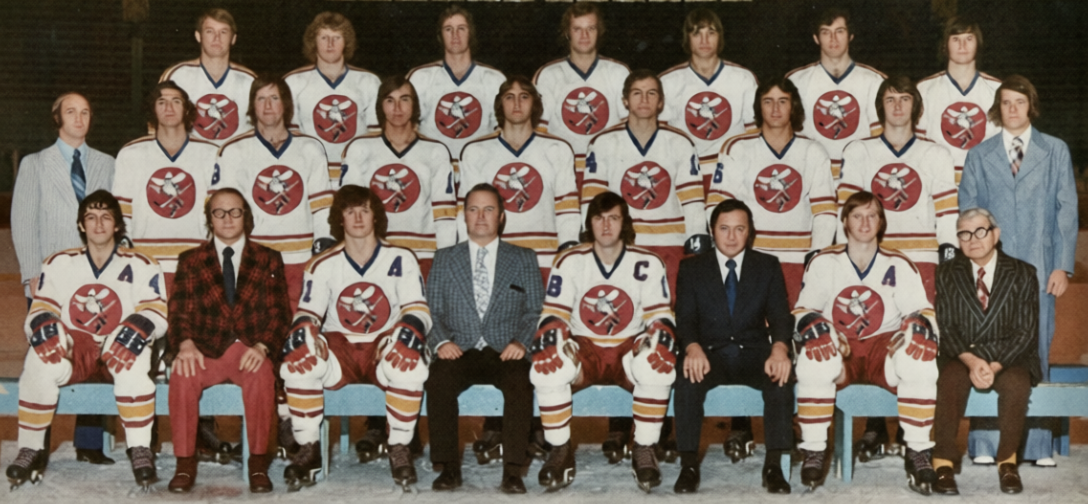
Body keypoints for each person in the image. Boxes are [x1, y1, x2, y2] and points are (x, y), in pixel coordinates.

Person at [6, 190, 167, 489]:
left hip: (117, 348)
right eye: (91, 217)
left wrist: (140, 325)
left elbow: (156, 310)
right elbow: (41, 306)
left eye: (106, 217)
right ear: (81, 225)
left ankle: (140, 448)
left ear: (117, 224)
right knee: (39, 360)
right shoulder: (58, 263)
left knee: (133, 355)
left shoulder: (142, 263)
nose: (99, 224)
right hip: (77, 349)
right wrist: (43, 323)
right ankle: (30, 447)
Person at [279, 185, 431, 491]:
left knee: (409, 361)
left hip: (382, 346)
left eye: (364, 210)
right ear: (340, 218)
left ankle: (399, 446)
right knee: (299, 360)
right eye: (350, 211)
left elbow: (417, 309)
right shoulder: (322, 263)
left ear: (376, 216)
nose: (358, 217)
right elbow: (308, 312)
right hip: (341, 348)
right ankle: (308, 447)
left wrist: (409, 331)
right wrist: (303, 332)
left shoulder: (401, 257)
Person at [960, 74, 1078, 467]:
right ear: (998, 108)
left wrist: (1062, 266)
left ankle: (1037, 445)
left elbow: (1066, 212)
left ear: (1032, 106)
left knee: (1035, 349)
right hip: (990, 269)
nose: (1013, 109)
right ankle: (984, 441)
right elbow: (969, 212)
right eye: (1006, 102)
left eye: (1020, 101)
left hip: (1040, 269)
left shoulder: (1055, 150)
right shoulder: (980, 155)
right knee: (987, 346)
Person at [338, 75, 456, 464]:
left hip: (421, 256)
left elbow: (443, 212)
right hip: (374, 256)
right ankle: (378, 424)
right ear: (380, 107)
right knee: (375, 334)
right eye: (390, 100)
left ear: (414, 106)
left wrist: (447, 261)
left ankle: (410, 429)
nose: (398, 107)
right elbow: (349, 207)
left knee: (415, 340)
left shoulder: (434, 151)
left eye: (405, 99)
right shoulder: (362, 148)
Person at [793, 191, 939, 495]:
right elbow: (802, 310)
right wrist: (814, 324)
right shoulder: (824, 261)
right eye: (857, 216)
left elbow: (922, 310)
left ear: (881, 222)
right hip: (840, 347)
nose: (864, 223)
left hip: (881, 350)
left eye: (872, 215)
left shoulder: (898, 262)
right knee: (814, 353)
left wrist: (919, 326)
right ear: (845, 221)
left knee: (919, 357)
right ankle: (815, 449)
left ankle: (918, 449)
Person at [530, 191, 676, 492]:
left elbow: (660, 315)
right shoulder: (570, 260)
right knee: (547, 369)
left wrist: (662, 338)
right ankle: (559, 450)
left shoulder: (647, 262)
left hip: (627, 348)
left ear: (625, 223)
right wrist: (550, 339)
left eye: (613, 218)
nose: (606, 225)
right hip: (585, 348)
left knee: (657, 366)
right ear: (589, 223)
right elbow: (553, 313)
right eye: (599, 218)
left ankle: (644, 448)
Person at [11, 91, 116, 466]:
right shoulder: (35, 164)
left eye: (85, 111)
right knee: (46, 356)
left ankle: (89, 441)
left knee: (95, 354)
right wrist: (31, 272)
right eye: (71, 111)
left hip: (97, 276)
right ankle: (36, 446)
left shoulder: (106, 163)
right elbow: (24, 221)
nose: (79, 118)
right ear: (57, 118)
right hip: (50, 279)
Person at [166, 188, 291, 493]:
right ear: (209, 218)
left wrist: (262, 346)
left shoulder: (268, 259)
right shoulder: (191, 260)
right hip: (204, 350)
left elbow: (280, 314)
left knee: (262, 376)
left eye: (235, 211)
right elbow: (178, 311)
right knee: (181, 376)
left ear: (246, 216)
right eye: (219, 212)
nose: (227, 219)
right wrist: (185, 344)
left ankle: (258, 464)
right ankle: (184, 463)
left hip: (249, 350)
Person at [425, 183, 542, 494]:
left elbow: (535, 311)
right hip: (459, 348)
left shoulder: (523, 258)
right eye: (474, 209)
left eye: (488, 209)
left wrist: (521, 342)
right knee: (438, 381)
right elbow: (431, 311)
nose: (480, 216)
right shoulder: (444, 258)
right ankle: (448, 468)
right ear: (464, 216)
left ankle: (513, 471)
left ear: (501, 217)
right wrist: (441, 342)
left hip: (505, 349)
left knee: (520, 382)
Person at [673, 199, 794, 494]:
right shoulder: (692, 268)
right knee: (687, 377)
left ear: (749, 232)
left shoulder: (767, 266)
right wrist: (692, 347)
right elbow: (685, 318)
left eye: (739, 229)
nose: (731, 237)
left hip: (753, 353)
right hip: (709, 354)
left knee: (781, 376)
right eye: (724, 228)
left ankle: (774, 466)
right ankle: (688, 465)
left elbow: (780, 315)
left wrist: (780, 348)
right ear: (711, 231)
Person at [931, 208, 1040, 495]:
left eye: (980, 231)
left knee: (1017, 385)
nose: (973, 239)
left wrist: (992, 365)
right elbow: (947, 327)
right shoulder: (947, 272)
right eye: (964, 234)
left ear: (995, 234)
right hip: (962, 354)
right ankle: (943, 463)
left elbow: (1025, 333)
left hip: (1009, 356)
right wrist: (971, 361)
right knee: (949, 381)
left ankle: (1008, 462)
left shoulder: (1023, 273)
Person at [708, 75, 837, 308]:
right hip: (751, 258)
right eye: (768, 101)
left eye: (782, 101)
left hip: (797, 259)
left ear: (793, 106)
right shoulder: (738, 148)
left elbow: (824, 213)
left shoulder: (813, 151)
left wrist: (817, 256)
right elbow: (718, 209)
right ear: (759, 107)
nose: (775, 109)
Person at [583, 69, 709, 299]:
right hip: (621, 243)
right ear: (625, 101)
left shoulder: (680, 142)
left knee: (668, 311)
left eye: (651, 93)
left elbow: (692, 201)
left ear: (661, 102)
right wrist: (590, 239)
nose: (644, 100)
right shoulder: (603, 142)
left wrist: (696, 241)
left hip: (670, 243)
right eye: (637, 93)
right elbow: (593, 201)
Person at [212, 74, 334, 309]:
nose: (268, 106)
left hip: (300, 256)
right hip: (253, 259)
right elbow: (224, 209)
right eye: (261, 99)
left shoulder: (310, 148)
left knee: (299, 323)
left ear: (285, 104)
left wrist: (322, 250)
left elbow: (322, 207)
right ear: (252, 105)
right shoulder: (234, 150)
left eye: (274, 98)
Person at [837, 75, 958, 303]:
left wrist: (949, 259)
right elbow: (845, 212)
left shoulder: (936, 154)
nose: (898, 106)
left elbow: (948, 216)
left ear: (916, 106)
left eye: (905, 99)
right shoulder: (859, 151)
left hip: (922, 258)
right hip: (872, 257)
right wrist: (843, 257)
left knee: (923, 323)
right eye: (890, 99)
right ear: (880, 107)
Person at [458, 76, 580, 277]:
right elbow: (467, 212)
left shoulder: (557, 149)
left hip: (544, 259)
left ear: (534, 104)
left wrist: (568, 254)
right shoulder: (477, 151)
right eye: (509, 97)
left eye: (524, 97)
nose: (517, 103)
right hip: (494, 260)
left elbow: (567, 210)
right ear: (500, 104)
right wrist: (471, 256)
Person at [114, 81, 218, 291]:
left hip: (196, 261)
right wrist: (127, 255)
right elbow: (122, 213)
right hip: (146, 262)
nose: (169, 108)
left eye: (176, 101)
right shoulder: (131, 153)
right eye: (161, 102)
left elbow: (219, 211)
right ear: (153, 109)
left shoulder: (211, 153)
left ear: (187, 109)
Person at [659, 8, 757, 192]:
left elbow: (753, 134)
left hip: (732, 174)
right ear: (687, 38)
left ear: (720, 37)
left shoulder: (743, 78)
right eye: (697, 33)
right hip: (686, 175)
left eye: (711, 33)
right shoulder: (668, 82)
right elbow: (661, 139)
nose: (704, 41)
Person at [533, 3, 630, 187]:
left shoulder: (618, 73)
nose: (584, 36)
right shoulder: (548, 75)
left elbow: (630, 130)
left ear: (599, 31)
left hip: (609, 170)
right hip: (563, 172)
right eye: (577, 29)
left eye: (590, 28)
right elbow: (538, 135)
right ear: (567, 33)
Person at [787, 8, 886, 180]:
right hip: (810, 176)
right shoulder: (796, 81)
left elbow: (880, 140)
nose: (833, 39)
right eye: (826, 32)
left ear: (850, 36)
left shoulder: (874, 81)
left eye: (839, 31)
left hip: (858, 177)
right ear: (816, 38)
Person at [285, 12, 381, 184]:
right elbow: (291, 139)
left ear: (346, 42)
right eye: (324, 37)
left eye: (337, 37)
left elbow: (375, 139)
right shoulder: (294, 82)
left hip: (357, 177)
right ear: (314, 42)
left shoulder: (368, 82)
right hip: (311, 176)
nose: (330, 44)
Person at [408, 6, 505, 162]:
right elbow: (406, 128)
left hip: (478, 166)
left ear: (470, 33)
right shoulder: (421, 77)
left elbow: (504, 131)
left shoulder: (493, 79)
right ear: (440, 35)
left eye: (461, 28)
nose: (455, 35)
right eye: (448, 29)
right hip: (433, 165)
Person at [916, 16, 1001, 185]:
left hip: (985, 185)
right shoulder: (924, 89)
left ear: (978, 44)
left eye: (969, 38)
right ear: (945, 45)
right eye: (955, 39)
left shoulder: (998, 89)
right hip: (938, 185)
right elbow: (917, 147)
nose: (962, 46)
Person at [160, 8, 257, 145]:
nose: (217, 38)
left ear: (233, 39)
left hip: (237, 156)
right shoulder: (177, 76)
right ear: (198, 36)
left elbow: (261, 130)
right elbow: (158, 126)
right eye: (210, 31)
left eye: (223, 32)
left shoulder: (250, 80)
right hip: (192, 156)